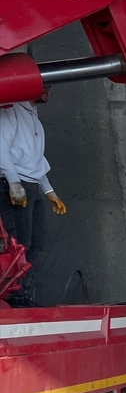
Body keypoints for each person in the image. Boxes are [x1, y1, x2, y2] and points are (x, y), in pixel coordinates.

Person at [0, 86, 67, 307]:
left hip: (32, 185)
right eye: (43, 85)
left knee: (38, 245)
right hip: (16, 183)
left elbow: (36, 161)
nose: (48, 90)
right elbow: (1, 148)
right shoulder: (10, 110)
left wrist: (49, 191)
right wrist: (14, 182)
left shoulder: (34, 117)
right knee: (19, 243)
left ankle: (20, 293)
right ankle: (10, 294)